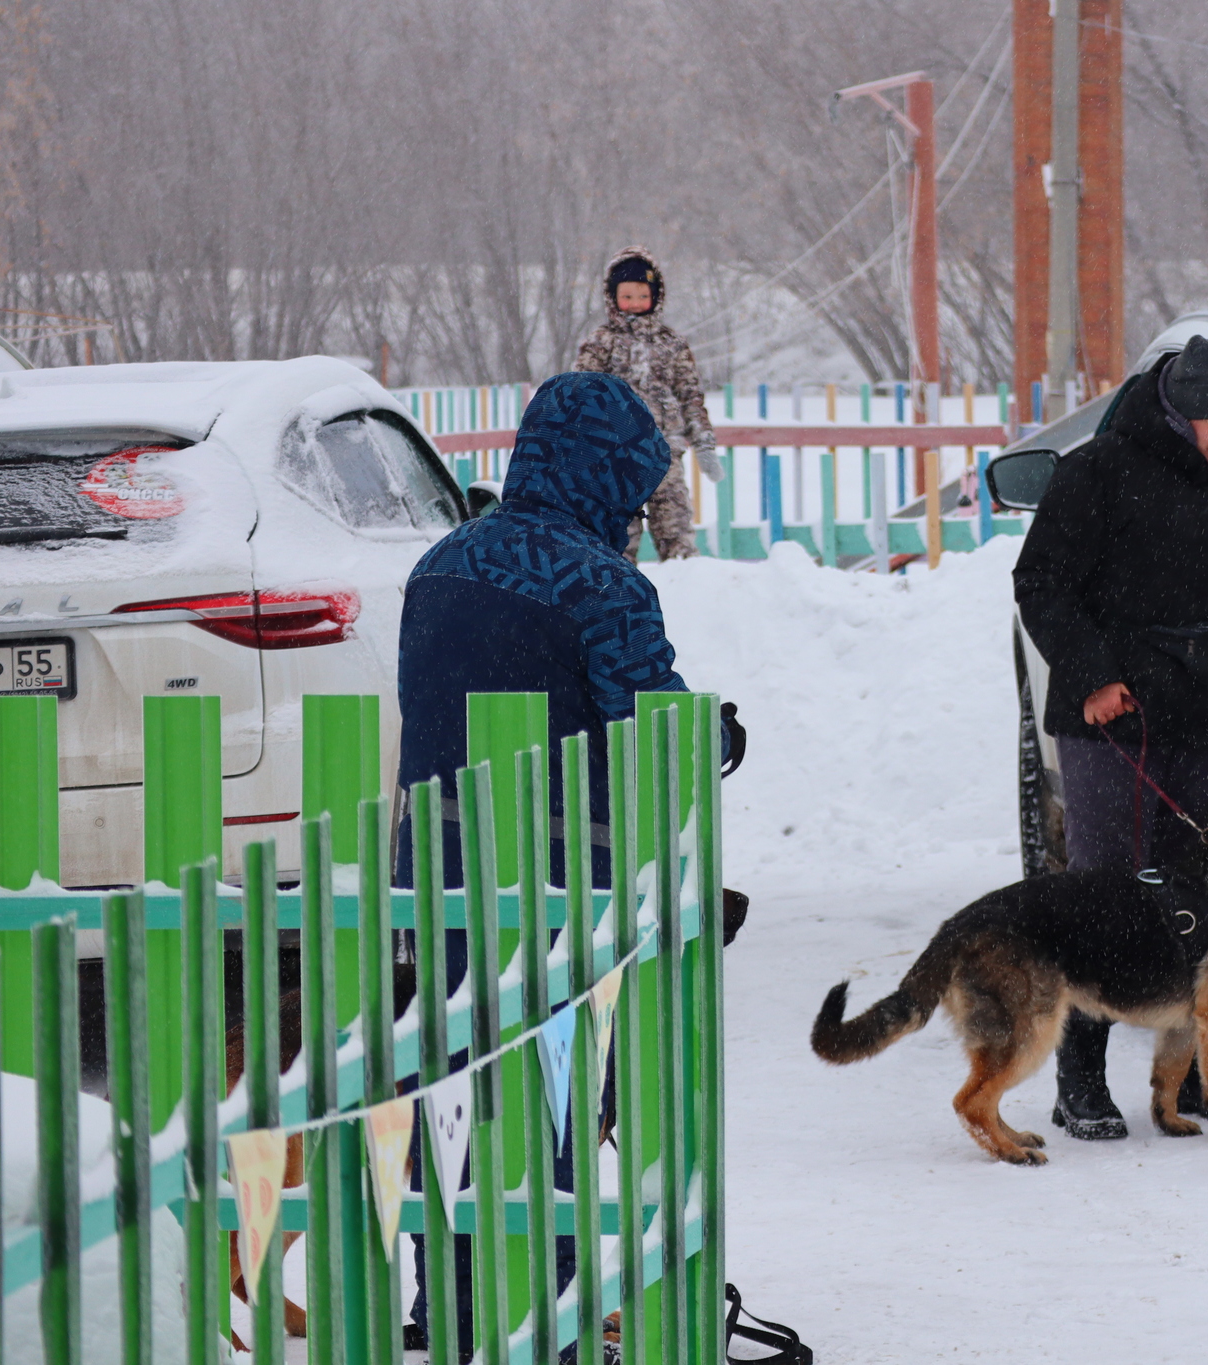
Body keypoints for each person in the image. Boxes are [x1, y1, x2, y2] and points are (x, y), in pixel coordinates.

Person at [393, 370, 744, 1360]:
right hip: (558, 871)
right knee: (554, 1084)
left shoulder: (440, 563)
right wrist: (713, 740)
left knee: (451, 1074)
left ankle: (450, 1299)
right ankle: (536, 1297)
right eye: (631, 488)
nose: (636, 511)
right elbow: (650, 722)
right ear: (600, 477)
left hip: (444, 859)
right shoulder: (598, 582)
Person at [1012, 333, 1208, 1140]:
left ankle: (1193, 1081)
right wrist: (1088, 675)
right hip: (1114, 722)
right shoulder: (1098, 471)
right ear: (1176, 407)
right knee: (1112, 896)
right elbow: (1041, 583)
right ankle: (1079, 1078)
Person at [574, 245, 722, 560]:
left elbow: (690, 395)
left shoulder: (671, 344)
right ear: (612, 298)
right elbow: (581, 394)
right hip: (615, 455)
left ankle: (686, 577)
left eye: (643, 296)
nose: (636, 304)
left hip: (663, 452)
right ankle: (615, 589)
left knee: (675, 525)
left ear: (656, 296)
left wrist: (704, 442)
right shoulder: (602, 343)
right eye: (627, 297)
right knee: (616, 536)